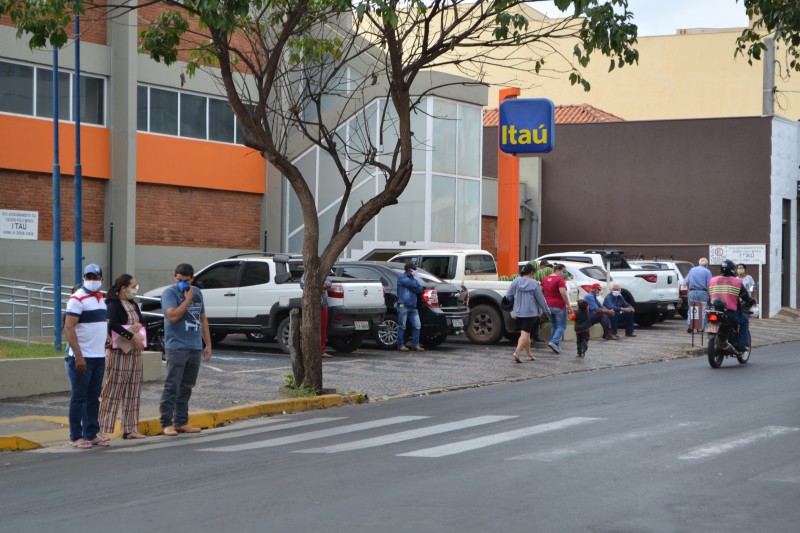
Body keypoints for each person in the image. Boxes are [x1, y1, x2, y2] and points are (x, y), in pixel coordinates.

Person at [159, 263, 212, 436]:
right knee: (172, 385)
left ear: (192, 279)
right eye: (178, 279)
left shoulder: (197, 292)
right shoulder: (169, 293)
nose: (181, 282)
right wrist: (187, 299)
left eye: (185, 280)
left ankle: (182, 421)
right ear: (175, 276)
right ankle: (166, 423)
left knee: (187, 386)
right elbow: (172, 316)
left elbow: (203, 319)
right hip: (176, 346)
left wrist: (208, 344)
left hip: (194, 346)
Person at [63, 263, 109, 449]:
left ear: (101, 279)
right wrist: (79, 356)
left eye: (95, 278)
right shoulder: (77, 299)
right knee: (79, 397)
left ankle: (91, 432)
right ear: (83, 278)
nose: (92, 281)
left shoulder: (100, 298)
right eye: (88, 277)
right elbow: (69, 327)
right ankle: (76, 436)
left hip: (98, 355)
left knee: (93, 396)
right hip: (82, 357)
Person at [99, 274, 147, 440]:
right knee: (113, 389)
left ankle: (131, 428)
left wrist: (139, 326)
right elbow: (112, 324)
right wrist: (131, 336)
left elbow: (141, 320)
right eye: (133, 286)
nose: (135, 289)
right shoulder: (113, 304)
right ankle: (101, 427)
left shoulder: (132, 303)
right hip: (119, 352)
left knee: (133, 390)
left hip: (134, 353)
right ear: (123, 288)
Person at [505, 263, 549, 363]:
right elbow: (541, 299)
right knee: (525, 333)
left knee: (526, 333)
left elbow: (508, 296)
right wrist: (547, 310)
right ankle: (517, 352)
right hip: (530, 313)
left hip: (518, 312)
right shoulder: (534, 284)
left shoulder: (515, 281)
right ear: (531, 273)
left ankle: (529, 355)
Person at [708, 259, 754, 352]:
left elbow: (708, 295)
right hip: (729, 312)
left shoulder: (712, 280)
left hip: (713, 311)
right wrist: (750, 302)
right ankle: (741, 345)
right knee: (744, 320)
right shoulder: (737, 282)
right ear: (733, 270)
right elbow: (745, 296)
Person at [541, 263, 573, 354]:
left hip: (548, 306)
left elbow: (540, 290)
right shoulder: (559, 280)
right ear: (557, 270)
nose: (564, 274)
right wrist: (568, 304)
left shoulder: (545, 279)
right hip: (559, 305)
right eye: (563, 272)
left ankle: (556, 345)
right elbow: (563, 292)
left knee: (554, 325)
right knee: (561, 326)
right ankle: (554, 342)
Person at [300, 271, 333, 358]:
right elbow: (302, 284)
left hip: (322, 303)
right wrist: (320, 286)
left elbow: (328, 284)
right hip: (309, 304)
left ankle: (322, 350)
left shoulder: (325, 274)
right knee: (308, 327)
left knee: (322, 328)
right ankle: (306, 349)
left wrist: (314, 286)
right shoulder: (307, 273)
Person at [396, 262, 424, 352]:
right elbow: (411, 285)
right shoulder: (402, 277)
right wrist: (414, 285)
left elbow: (420, 290)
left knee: (417, 326)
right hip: (403, 305)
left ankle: (415, 344)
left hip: (413, 306)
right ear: (409, 270)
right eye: (414, 270)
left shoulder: (413, 279)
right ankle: (400, 345)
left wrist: (414, 285)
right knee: (402, 326)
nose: (415, 271)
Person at [685, 257, 712, 332]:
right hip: (702, 292)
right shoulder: (707, 271)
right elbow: (708, 285)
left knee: (692, 309)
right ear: (706, 264)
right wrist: (710, 295)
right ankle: (702, 327)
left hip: (692, 291)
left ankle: (691, 324)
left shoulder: (692, 270)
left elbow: (686, 282)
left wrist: (689, 290)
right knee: (703, 310)